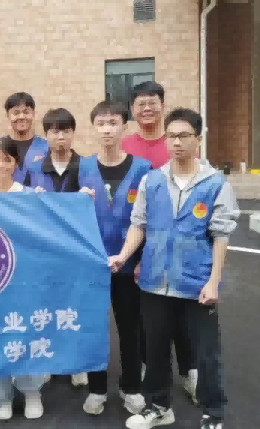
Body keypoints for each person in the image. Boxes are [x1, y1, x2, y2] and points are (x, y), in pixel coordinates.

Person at [110, 108, 239, 429]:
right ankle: (159, 406)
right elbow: (139, 224)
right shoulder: (152, 181)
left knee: (205, 354)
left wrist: (213, 282)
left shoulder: (215, 184)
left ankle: (213, 415)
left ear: (198, 139)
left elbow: (221, 236)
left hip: (196, 284)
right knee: (155, 349)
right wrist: (124, 255)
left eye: (184, 136)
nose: (177, 142)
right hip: (154, 281)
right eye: (172, 136)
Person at [122, 81, 198, 400]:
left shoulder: (176, 143)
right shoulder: (126, 146)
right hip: (139, 239)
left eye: (152, 102)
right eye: (140, 104)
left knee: (181, 312)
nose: (147, 109)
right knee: (144, 314)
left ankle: (190, 371)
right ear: (132, 110)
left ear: (162, 106)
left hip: (177, 244)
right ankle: (147, 366)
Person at [78, 100, 151, 416]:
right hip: (92, 265)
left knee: (130, 328)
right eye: (101, 123)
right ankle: (96, 389)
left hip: (129, 264)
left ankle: (131, 387)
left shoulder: (143, 169)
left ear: (125, 127)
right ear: (93, 128)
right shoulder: (82, 168)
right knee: (93, 327)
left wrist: (143, 260)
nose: (107, 129)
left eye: (113, 123)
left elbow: (151, 220)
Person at [0, 137, 44, 420]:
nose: (0, 165)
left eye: (7, 159)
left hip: (22, 278)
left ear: (16, 164)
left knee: (25, 331)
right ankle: (0, 397)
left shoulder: (29, 195)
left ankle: (32, 391)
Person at [22, 107, 88, 387]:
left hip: (76, 251)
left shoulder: (86, 167)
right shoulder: (34, 168)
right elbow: (23, 207)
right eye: (54, 131)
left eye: (65, 131)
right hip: (44, 252)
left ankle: (76, 363)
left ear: (73, 134)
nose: (60, 137)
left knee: (75, 307)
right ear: (46, 135)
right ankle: (48, 358)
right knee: (45, 305)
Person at [2, 92, 49, 184]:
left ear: (33, 114)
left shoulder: (47, 147)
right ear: (8, 115)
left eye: (26, 112)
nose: (21, 117)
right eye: (16, 113)